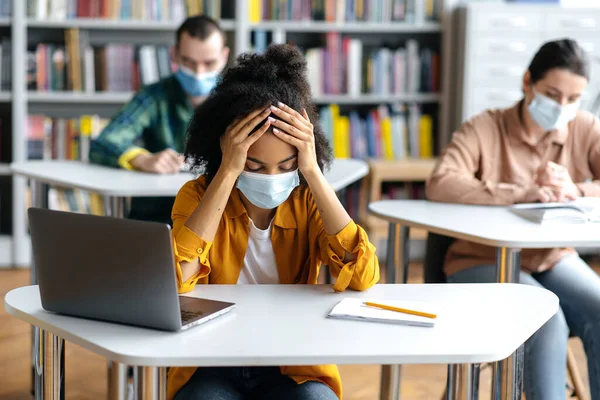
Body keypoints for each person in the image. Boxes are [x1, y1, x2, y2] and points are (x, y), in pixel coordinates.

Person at [167, 44, 380, 400]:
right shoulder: (197, 195)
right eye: (253, 166)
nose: (270, 177)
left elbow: (362, 276)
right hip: (211, 359)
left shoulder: (307, 197)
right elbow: (176, 279)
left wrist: (311, 170)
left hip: (292, 359)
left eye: (285, 166)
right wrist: (228, 171)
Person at [427, 38, 600, 400]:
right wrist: (520, 192)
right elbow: (441, 182)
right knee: (546, 322)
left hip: (551, 257)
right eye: (553, 95)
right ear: (527, 83)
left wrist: (575, 189)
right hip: (480, 259)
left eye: (572, 100)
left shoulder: (584, 128)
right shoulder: (485, 128)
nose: (562, 107)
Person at [89, 15, 229, 225]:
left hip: (219, 218)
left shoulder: (237, 99)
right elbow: (104, 142)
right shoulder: (154, 96)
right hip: (158, 216)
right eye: (189, 62)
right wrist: (142, 159)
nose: (199, 73)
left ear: (224, 56)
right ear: (174, 55)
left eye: (209, 63)